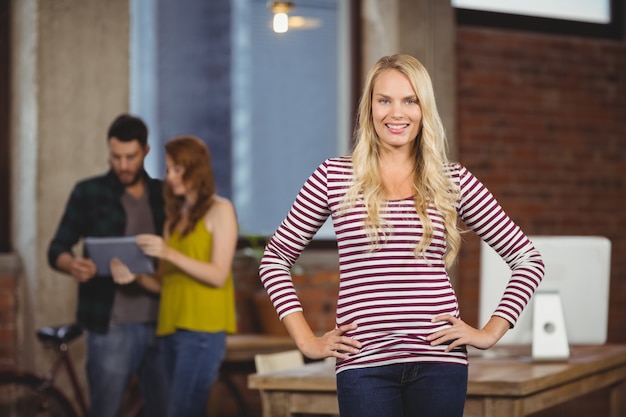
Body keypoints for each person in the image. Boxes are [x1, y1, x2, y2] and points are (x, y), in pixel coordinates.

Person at [258, 53, 545, 417]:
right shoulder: (333, 177)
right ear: (370, 108)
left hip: (439, 364)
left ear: (424, 109)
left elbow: (527, 259)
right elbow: (275, 258)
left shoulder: (451, 180)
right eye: (385, 100)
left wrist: (489, 333)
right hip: (364, 366)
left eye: (410, 100)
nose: (397, 113)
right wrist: (306, 340)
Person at [47, 114, 169, 417]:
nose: (123, 165)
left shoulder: (163, 194)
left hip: (163, 321)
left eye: (131, 157)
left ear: (146, 151)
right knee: (105, 411)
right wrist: (72, 264)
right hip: (110, 325)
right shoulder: (89, 192)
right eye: (116, 157)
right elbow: (56, 248)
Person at [111, 135, 238, 417]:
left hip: (203, 329)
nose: (170, 177)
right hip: (169, 328)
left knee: (182, 411)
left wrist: (168, 253)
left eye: (178, 169)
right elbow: (163, 284)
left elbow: (218, 274)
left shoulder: (221, 210)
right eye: (168, 169)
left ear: (197, 169)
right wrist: (134, 275)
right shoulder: (173, 220)